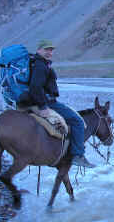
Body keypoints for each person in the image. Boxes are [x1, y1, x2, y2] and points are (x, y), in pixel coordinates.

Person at [28, 39, 95, 168]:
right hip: (48, 102)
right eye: (46, 49)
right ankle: (77, 155)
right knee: (77, 121)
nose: (49, 52)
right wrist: (43, 107)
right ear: (39, 50)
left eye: (51, 50)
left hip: (46, 100)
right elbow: (35, 87)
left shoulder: (38, 63)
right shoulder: (40, 65)